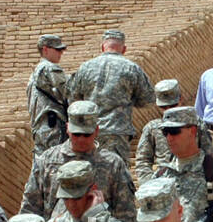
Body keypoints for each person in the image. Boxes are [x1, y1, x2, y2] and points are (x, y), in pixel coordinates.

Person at [20, 100, 137, 222]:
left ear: (96, 130)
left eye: (86, 134)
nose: (81, 139)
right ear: (67, 129)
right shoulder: (47, 161)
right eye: (76, 134)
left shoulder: (113, 164)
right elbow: (30, 208)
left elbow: (126, 214)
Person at [67, 29, 156, 162]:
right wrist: (130, 98)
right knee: (116, 175)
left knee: (87, 174)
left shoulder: (85, 68)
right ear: (124, 49)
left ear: (103, 47)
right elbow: (148, 100)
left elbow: (73, 99)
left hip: (88, 131)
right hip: (117, 133)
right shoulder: (131, 68)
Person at [133, 79, 213, 184]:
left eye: (173, 106)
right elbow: (142, 161)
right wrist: (151, 185)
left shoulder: (197, 124)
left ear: (181, 100)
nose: (168, 110)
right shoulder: (152, 128)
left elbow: (208, 155)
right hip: (164, 184)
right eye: (164, 107)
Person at [27, 34, 70, 155]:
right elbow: (68, 91)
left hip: (41, 128)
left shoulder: (35, 73)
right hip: (52, 128)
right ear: (45, 49)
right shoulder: (49, 68)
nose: (60, 53)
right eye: (58, 49)